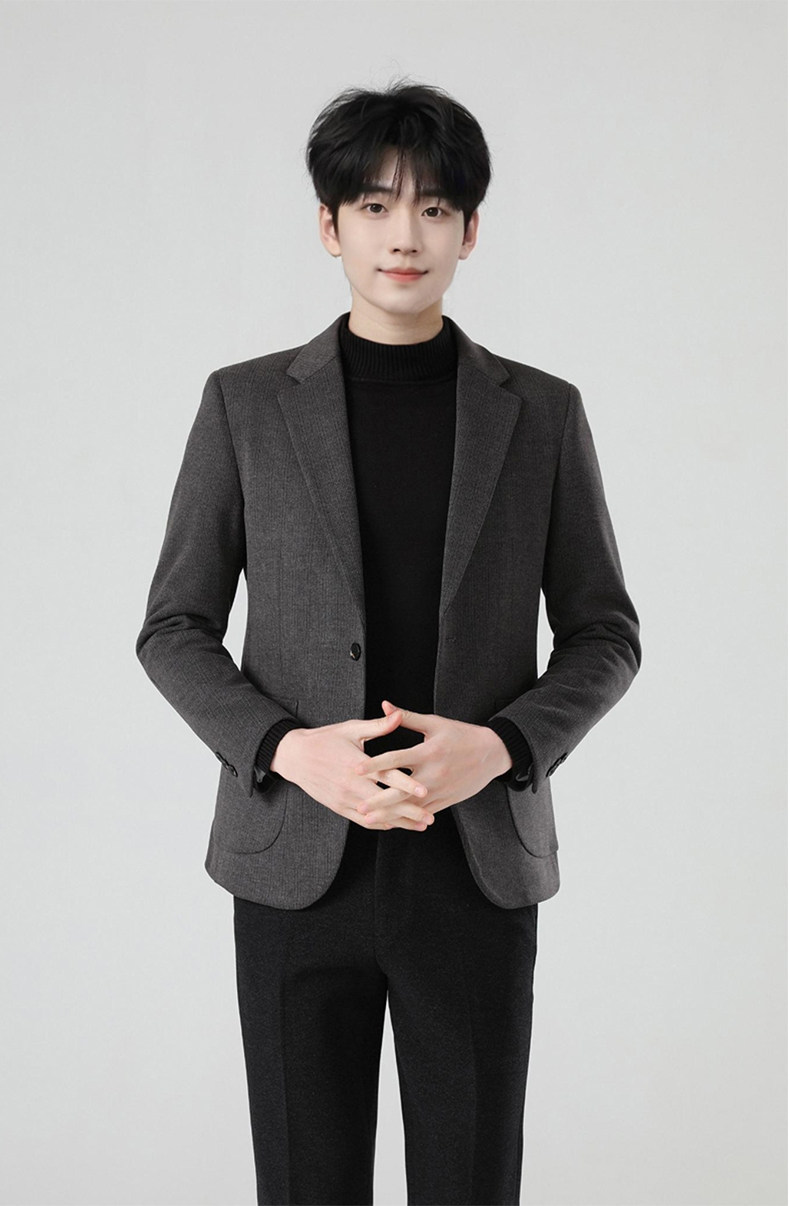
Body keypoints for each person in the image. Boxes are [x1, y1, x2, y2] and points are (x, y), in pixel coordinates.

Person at [135, 78, 642, 1206]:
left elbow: (605, 633)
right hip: (294, 869)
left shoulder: (541, 414)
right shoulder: (245, 406)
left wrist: (501, 747)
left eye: (432, 207)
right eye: (373, 205)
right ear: (329, 227)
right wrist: (287, 749)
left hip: (473, 869)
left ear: (470, 229)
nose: (403, 234)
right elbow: (174, 628)